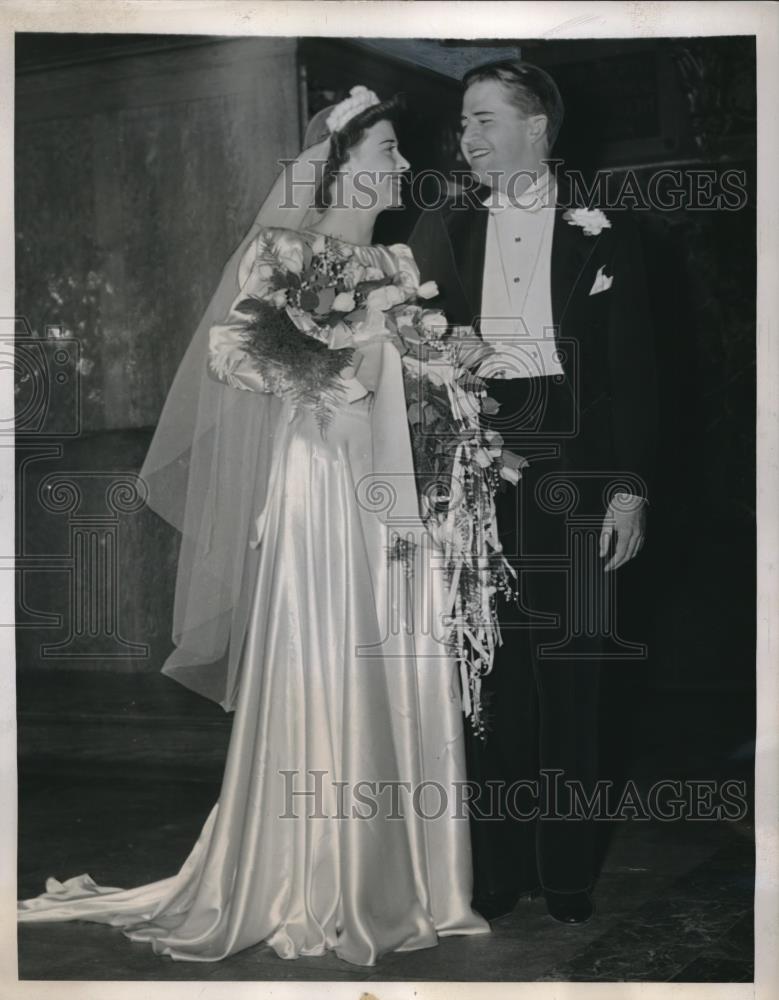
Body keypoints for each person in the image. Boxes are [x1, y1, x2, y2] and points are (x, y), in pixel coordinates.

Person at [18, 87, 489, 967]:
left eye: (396, 149)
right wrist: (316, 375)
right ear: (337, 165)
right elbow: (234, 356)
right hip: (321, 479)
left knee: (397, 647)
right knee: (328, 648)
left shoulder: (397, 261)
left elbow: (420, 379)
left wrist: (444, 378)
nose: (400, 164)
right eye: (384, 148)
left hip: (393, 480)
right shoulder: (285, 254)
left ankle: (406, 876)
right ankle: (312, 873)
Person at [408, 60, 658, 925]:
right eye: (464, 123)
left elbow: (635, 369)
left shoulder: (607, 227)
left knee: (575, 673)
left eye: (483, 121)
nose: (466, 139)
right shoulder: (442, 226)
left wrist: (629, 490)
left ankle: (566, 875)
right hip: (478, 463)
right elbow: (409, 350)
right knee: (491, 675)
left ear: (535, 127)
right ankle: (496, 873)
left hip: (580, 466)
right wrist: (447, 364)